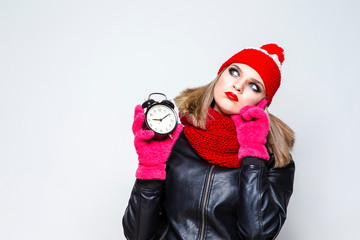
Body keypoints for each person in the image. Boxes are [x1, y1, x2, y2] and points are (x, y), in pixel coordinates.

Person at [122, 43, 295, 240]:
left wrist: (253, 153)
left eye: (254, 86)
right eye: (234, 72)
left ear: (263, 102)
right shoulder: (172, 142)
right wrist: (149, 169)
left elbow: (257, 235)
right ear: (220, 75)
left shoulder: (276, 161)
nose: (238, 86)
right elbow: (137, 236)